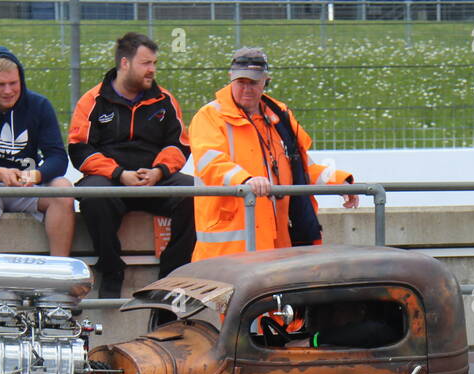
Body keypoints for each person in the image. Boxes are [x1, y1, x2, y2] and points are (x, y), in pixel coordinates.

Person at [187, 48, 357, 262]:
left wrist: (340, 182)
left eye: (254, 83)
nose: (247, 89)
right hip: (227, 252)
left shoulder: (279, 116)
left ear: (265, 82)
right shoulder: (210, 116)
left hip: (275, 245)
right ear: (231, 78)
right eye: (241, 82)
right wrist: (246, 181)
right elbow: (210, 163)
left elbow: (301, 167)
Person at [68, 32, 195, 299]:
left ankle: (172, 275)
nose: (152, 70)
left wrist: (159, 171)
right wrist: (118, 173)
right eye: (146, 63)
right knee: (93, 195)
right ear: (124, 63)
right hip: (113, 181)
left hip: (155, 180)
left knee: (194, 191)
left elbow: (179, 144)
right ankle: (111, 269)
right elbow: (80, 149)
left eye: (154, 64)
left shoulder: (165, 100)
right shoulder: (92, 101)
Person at [0, 46, 74, 257]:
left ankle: (59, 273)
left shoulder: (39, 105)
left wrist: (36, 175)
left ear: (21, 80)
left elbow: (57, 157)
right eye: (0, 84)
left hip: (27, 184)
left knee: (63, 188)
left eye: (13, 83)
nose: (8, 91)